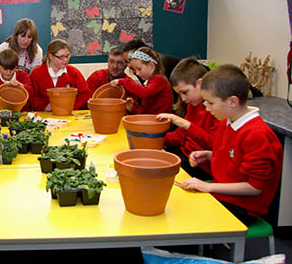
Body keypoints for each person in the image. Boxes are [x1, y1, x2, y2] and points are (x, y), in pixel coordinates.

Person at [178, 65, 282, 226]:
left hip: (243, 208)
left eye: (211, 102)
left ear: (233, 101)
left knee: (181, 216)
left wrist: (208, 187)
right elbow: (235, 157)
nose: (206, 107)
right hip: (223, 194)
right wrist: (209, 154)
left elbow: (254, 188)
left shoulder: (257, 134)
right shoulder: (227, 121)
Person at [156, 58, 219, 180]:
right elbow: (180, 137)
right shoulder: (193, 105)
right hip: (185, 155)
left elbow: (214, 145)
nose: (183, 99)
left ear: (200, 83)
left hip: (201, 167)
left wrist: (186, 124)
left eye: (185, 92)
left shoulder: (217, 110)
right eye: (180, 94)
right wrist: (152, 138)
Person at [30, 39, 92, 111]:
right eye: (61, 57)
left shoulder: (74, 72)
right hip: (45, 115)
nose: (65, 60)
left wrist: (70, 106)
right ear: (51, 56)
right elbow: (32, 97)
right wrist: (45, 106)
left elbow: (85, 94)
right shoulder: (37, 73)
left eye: (67, 56)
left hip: (68, 115)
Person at [110, 47, 173, 114]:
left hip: (159, 123)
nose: (137, 73)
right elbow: (145, 111)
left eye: (139, 69)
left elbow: (144, 92)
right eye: (135, 70)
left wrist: (123, 81)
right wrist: (132, 108)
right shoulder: (151, 82)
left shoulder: (159, 80)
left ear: (151, 66)